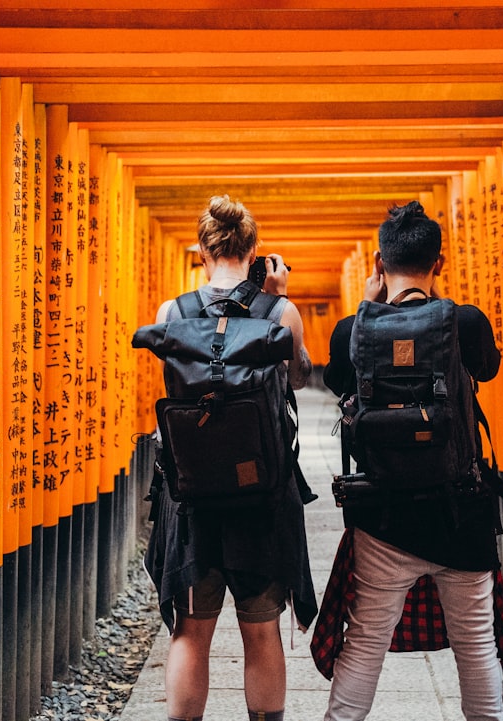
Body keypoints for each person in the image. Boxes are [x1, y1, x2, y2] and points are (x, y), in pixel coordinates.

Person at [320, 201, 503, 721]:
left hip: (383, 516)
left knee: (365, 642)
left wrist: (365, 308)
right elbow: (486, 370)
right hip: (459, 512)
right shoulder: (464, 322)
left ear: (378, 263)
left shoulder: (349, 330)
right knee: (476, 645)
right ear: (439, 264)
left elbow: (339, 385)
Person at [144, 194, 316, 721]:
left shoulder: (173, 312)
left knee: (190, 631)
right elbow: (300, 377)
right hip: (260, 496)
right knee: (261, 631)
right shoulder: (279, 310)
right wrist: (278, 300)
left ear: (201, 250)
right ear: (255, 251)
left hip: (193, 497)